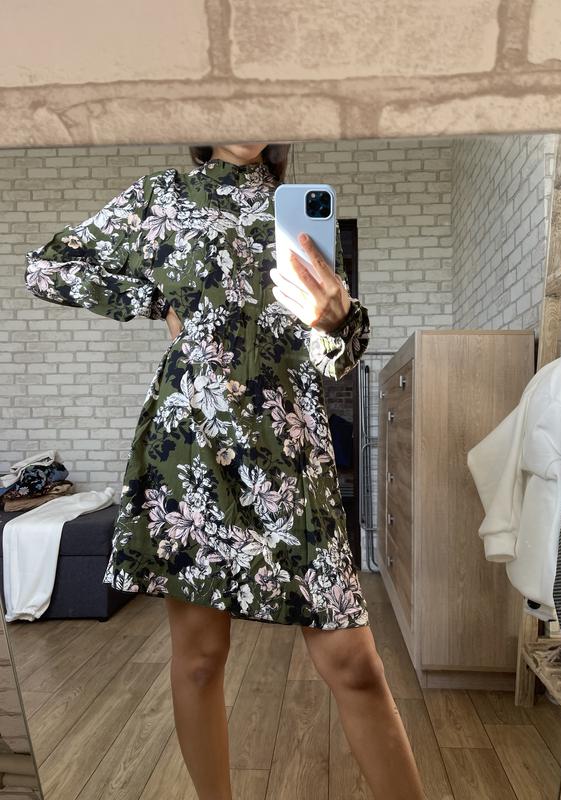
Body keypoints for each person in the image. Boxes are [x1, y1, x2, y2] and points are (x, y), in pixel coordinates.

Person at [24, 141, 425, 800]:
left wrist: (338, 321)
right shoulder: (162, 198)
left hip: (293, 452)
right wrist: (154, 298)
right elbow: (46, 267)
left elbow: (333, 359)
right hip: (193, 450)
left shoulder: (297, 213)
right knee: (200, 660)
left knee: (354, 663)